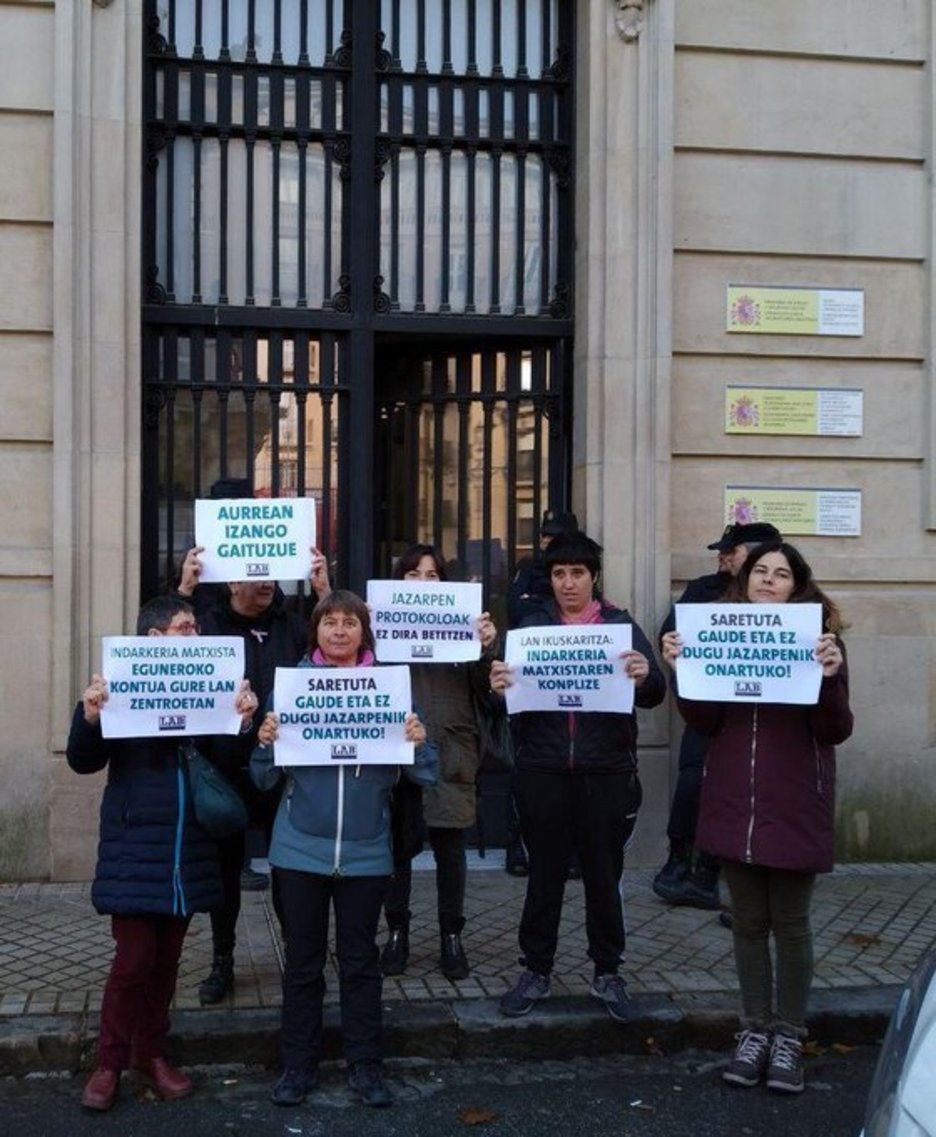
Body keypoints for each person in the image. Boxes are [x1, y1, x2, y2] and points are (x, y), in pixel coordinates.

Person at [661, 541, 853, 1094]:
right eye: (760, 572)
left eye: (781, 574)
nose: (769, 581)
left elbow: (834, 730)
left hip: (793, 802)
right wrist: (681, 669)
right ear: (743, 581)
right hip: (733, 802)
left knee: (790, 925)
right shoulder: (718, 632)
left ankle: (789, 1036)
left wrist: (831, 676)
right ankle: (754, 1031)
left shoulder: (820, 643)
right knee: (747, 923)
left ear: (798, 586)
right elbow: (702, 719)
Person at [67, 596, 258, 1112]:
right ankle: (108, 1064)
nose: (195, 636)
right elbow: (83, 762)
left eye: (196, 628)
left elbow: (230, 762)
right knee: (132, 962)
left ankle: (151, 1056)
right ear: (153, 639)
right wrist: (88, 717)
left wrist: (240, 721)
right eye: (185, 627)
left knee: (167, 963)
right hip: (136, 848)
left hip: (187, 850)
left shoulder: (210, 687)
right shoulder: (117, 686)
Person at [251, 591, 438, 1109]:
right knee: (304, 965)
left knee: (360, 964)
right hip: (298, 854)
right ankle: (297, 1066)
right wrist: (266, 741)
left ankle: (364, 1066)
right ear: (315, 631)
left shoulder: (390, 688)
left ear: (363, 632)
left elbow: (427, 771)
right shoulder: (291, 687)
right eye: (329, 622)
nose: (338, 631)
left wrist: (418, 741)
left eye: (349, 623)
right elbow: (262, 778)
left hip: (366, 853)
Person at [490, 531, 666, 1022]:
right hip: (543, 769)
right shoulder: (529, 626)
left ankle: (607, 971)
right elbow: (497, 697)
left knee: (602, 877)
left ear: (593, 577)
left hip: (605, 771)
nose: (568, 583)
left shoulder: (620, 626)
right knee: (542, 876)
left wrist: (644, 674)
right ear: (550, 579)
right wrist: (497, 684)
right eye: (559, 574)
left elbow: (655, 691)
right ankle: (536, 970)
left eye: (577, 573)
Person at [175, 543, 331, 1005]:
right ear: (230, 581)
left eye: (271, 575)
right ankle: (223, 960)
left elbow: (335, 646)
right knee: (225, 876)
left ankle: (299, 958)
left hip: (282, 770)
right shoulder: (209, 624)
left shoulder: (293, 623)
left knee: (290, 870)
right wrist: (184, 590)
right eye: (254, 575)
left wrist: (324, 593)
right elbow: (163, 643)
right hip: (224, 769)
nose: (266, 582)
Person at [378, 544, 498, 981]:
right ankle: (397, 934)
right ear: (400, 582)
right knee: (399, 848)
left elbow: (489, 692)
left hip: (451, 746)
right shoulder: (382, 625)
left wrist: (486, 647)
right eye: (413, 575)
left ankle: (452, 935)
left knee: (451, 848)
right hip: (397, 746)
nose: (423, 583)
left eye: (432, 576)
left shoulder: (463, 625)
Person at [654, 521, 781, 911]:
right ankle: (680, 861)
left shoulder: (787, 600)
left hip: (760, 718)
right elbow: (670, 638)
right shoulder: (703, 589)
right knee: (693, 781)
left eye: (732, 550)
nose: (722, 556)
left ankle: (710, 875)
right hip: (708, 711)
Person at [504, 508, 580, 877]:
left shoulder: (582, 575)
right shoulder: (528, 569)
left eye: (554, 536)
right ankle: (518, 844)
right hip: (533, 687)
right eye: (545, 535)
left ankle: (569, 851)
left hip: (574, 698)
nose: (546, 542)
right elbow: (515, 612)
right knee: (525, 772)